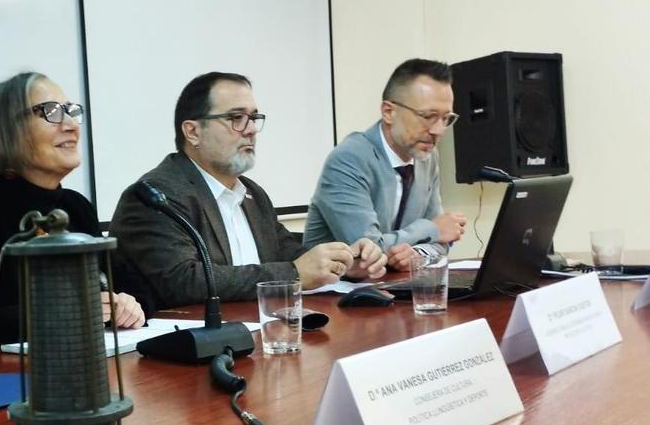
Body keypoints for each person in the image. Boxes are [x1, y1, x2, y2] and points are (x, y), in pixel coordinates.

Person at [110, 71, 386, 311]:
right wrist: (294, 274)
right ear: (193, 132)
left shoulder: (253, 194)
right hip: (188, 346)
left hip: (263, 332)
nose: (252, 129)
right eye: (236, 118)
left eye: (254, 118)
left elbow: (288, 252)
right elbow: (184, 282)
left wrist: (343, 263)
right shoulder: (156, 196)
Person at [0, 72, 146, 352]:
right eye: (50, 111)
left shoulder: (75, 206)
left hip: (84, 361)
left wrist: (127, 304)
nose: (71, 125)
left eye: (71, 111)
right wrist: (63, 314)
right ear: (5, 132)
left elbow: (137, 289)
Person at [303, 58, 467, 271]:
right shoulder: (349, 158)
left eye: (446, 119)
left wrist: (415, 255)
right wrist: (431, 229)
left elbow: (442, 243)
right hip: (337, 286)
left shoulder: (427, 156)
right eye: (428, 116)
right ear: (388, 112)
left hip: (395, 283)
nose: (438, 131)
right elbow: (368, 251)